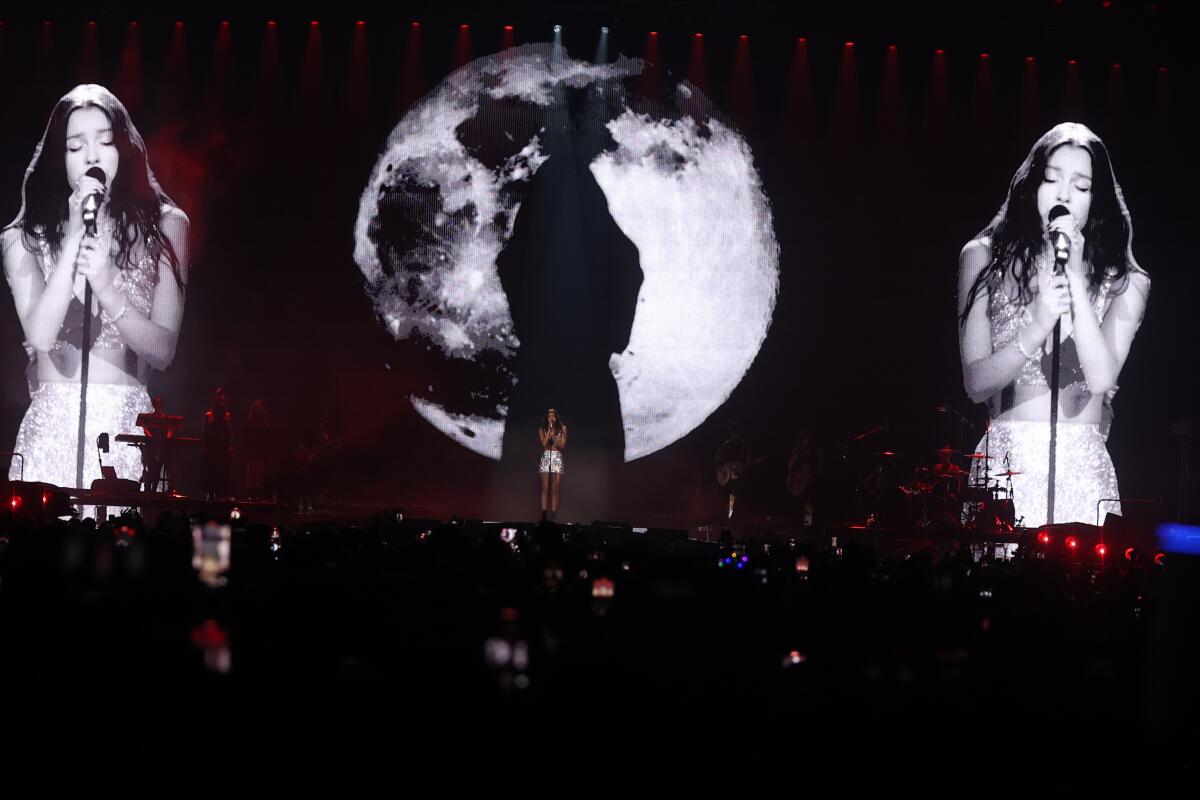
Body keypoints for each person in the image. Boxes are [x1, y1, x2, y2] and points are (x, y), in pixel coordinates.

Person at [958, 122, 1149, 527]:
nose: (1063, 194)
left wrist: (1077, 283)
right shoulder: (982, 257)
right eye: (1051, 179)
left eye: (1081, 186)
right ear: (1032, 184)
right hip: (1006, 466)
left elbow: (1100, 376)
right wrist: (1038, 322)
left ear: (1096, 199)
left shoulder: (1126, 281)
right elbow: (975, 383)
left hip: (1083, 467)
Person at [3, 84, 188, 497]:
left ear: (123, 147)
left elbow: (164, 350)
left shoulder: (168, 225)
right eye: (75, 146)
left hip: (123, 428)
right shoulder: (22, 238)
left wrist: (109, 288)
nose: (92, 156)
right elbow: (40, 334)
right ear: (59, 155)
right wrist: (71, 241)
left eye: (105, 141)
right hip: (50, 426)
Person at [200, 387, 233, 501]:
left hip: (221, 448)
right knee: (211, 472)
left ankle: (219, 494)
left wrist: (229, 446)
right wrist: (204, 446)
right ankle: (210, 493)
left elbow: (229, 433)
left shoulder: (226, 416)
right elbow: (204, 432)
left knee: (221, 472)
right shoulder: (208, 415)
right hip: (211, 447)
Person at [537, 408, 567, 520]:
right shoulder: (542, 429)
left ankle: (553, 516)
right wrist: (549, 431)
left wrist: (555, 438)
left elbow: (563, 445)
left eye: (553, 416)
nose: (551, 418)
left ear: (556, 417)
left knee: (555, 489)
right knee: (545, 488)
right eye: (549, 416)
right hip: (546, 456)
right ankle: (544, 515)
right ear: (546, 418)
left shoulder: (562, 428)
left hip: (557, 457)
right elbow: (544, 444)